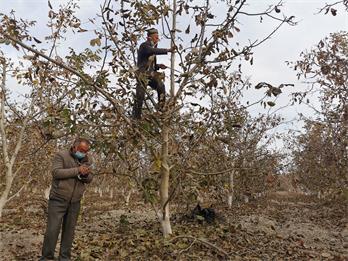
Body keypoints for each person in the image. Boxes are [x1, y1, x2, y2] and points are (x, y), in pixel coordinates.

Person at [40, 137, 94, 261]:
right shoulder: (61, 155)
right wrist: (77, 170)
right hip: (58, 198)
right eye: (81, 150)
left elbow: (90, 178)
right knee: (52, 230)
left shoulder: (88, 159)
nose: (84, 153)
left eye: (86, 151)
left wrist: (86, 175)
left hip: (75, 201)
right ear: (74, 147)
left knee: (69, 232)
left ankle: (64, 257)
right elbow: (56, 172)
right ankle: (47, 257)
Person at [132, 28, 175, 119]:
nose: (157, 40)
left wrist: (158, 66)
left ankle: (161, 109)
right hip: (142, 75)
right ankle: (136, 118)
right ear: (149, 38)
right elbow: (151, 51)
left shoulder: (152, 49)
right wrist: (168, 50)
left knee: (160, 85)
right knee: (140, 97)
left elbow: (152, 65)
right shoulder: (144, 46)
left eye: (158, 38)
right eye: (156, 38)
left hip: (151, 75)